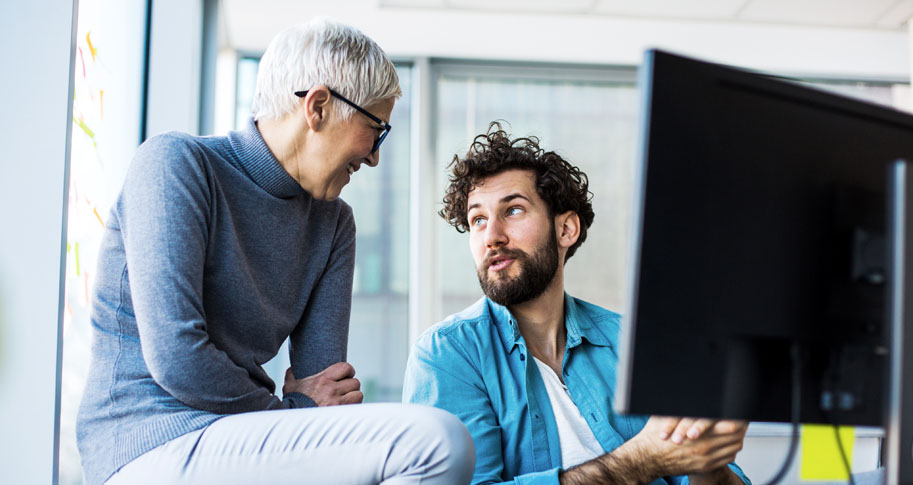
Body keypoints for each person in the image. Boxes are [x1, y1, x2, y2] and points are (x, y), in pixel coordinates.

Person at [77, 18, 473, 485]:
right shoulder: (176, 165)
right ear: (319, 106)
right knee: (435, 442)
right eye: (375, 130)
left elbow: (328, 393)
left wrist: (299, 410)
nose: (374, 158)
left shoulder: (334, 224)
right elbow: (178, 360)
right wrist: (289, 410)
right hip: (147, 442)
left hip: (243, 438)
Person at [402, 122, 751, 484]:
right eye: (478, 219)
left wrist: (705, 458)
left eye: (514, 210)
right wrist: (640, 460)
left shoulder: (633, 344)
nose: (492, 236)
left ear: (566, 230)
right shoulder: (447, 354)